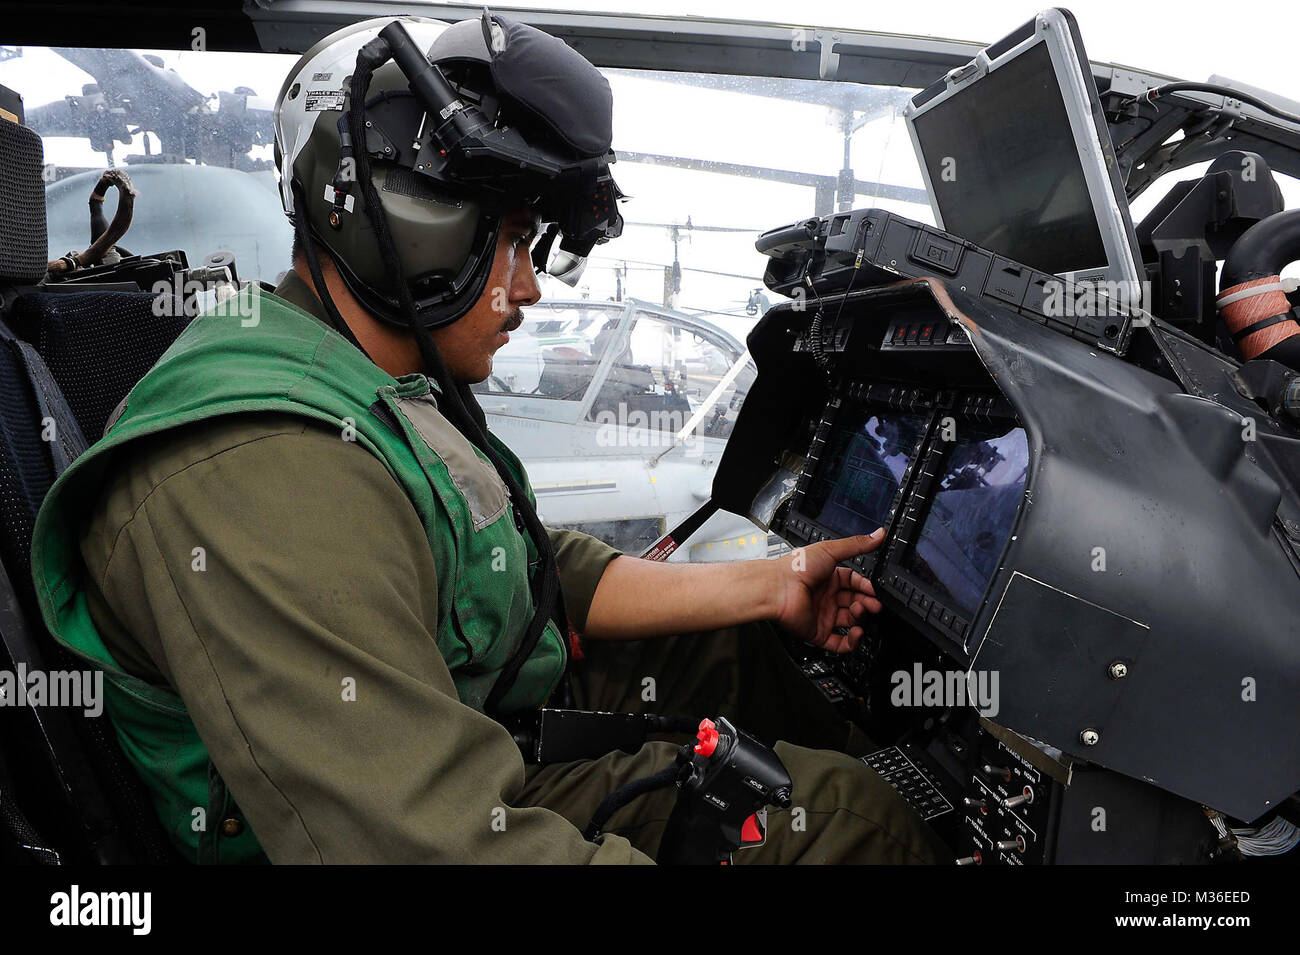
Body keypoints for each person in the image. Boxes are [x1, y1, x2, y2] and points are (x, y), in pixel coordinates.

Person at [31, 12, 950, 864]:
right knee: (849, 821)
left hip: (476, 707)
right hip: (436, 798)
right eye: (513, 237)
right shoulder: (265, 464)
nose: (532, 286)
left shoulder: (360, 377)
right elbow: (438, 846)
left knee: (729, 653)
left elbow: (521, 561)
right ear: (405, 216)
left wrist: (767, 585)